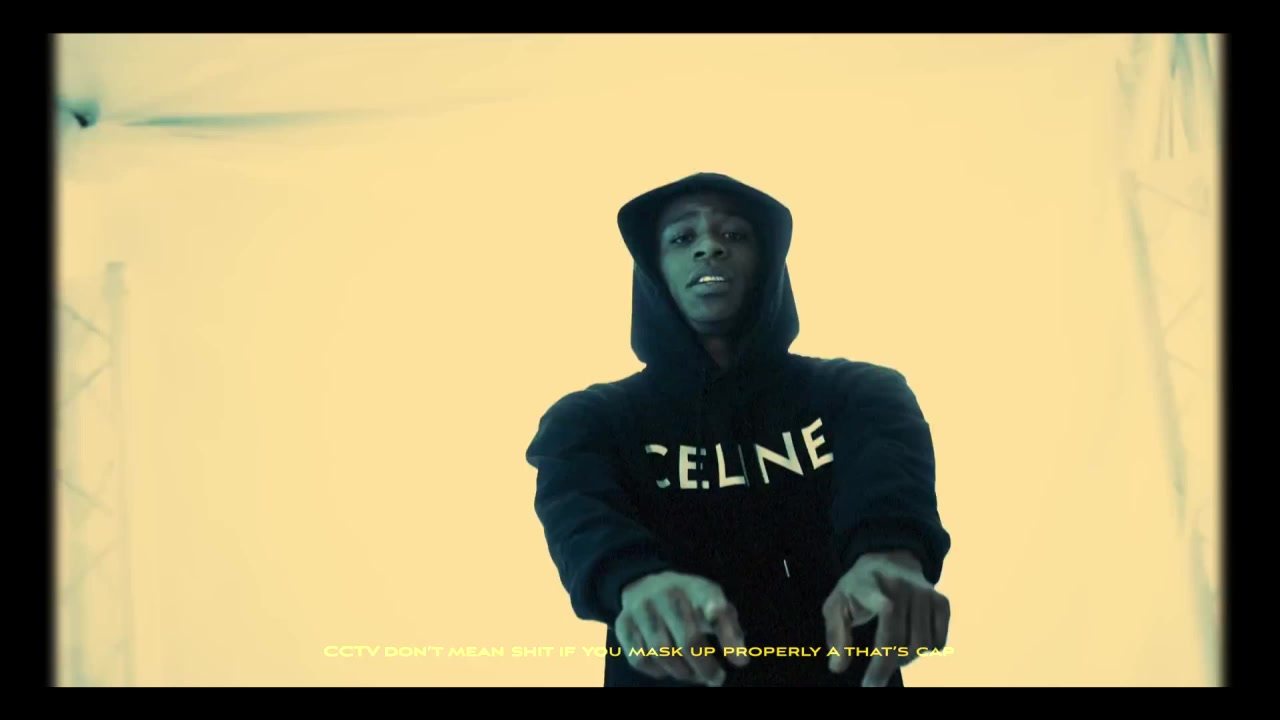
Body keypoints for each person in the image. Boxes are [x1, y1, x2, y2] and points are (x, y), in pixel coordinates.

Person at [526, 172, 952, 687]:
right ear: (654, 269)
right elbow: (580, 516)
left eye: (734, 234)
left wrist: (891, 556)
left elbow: (889, 484)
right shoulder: (588, 421)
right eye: (682, 237)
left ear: (767, 261)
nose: (709, 247)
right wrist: (635, 580)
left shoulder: (860, 393)